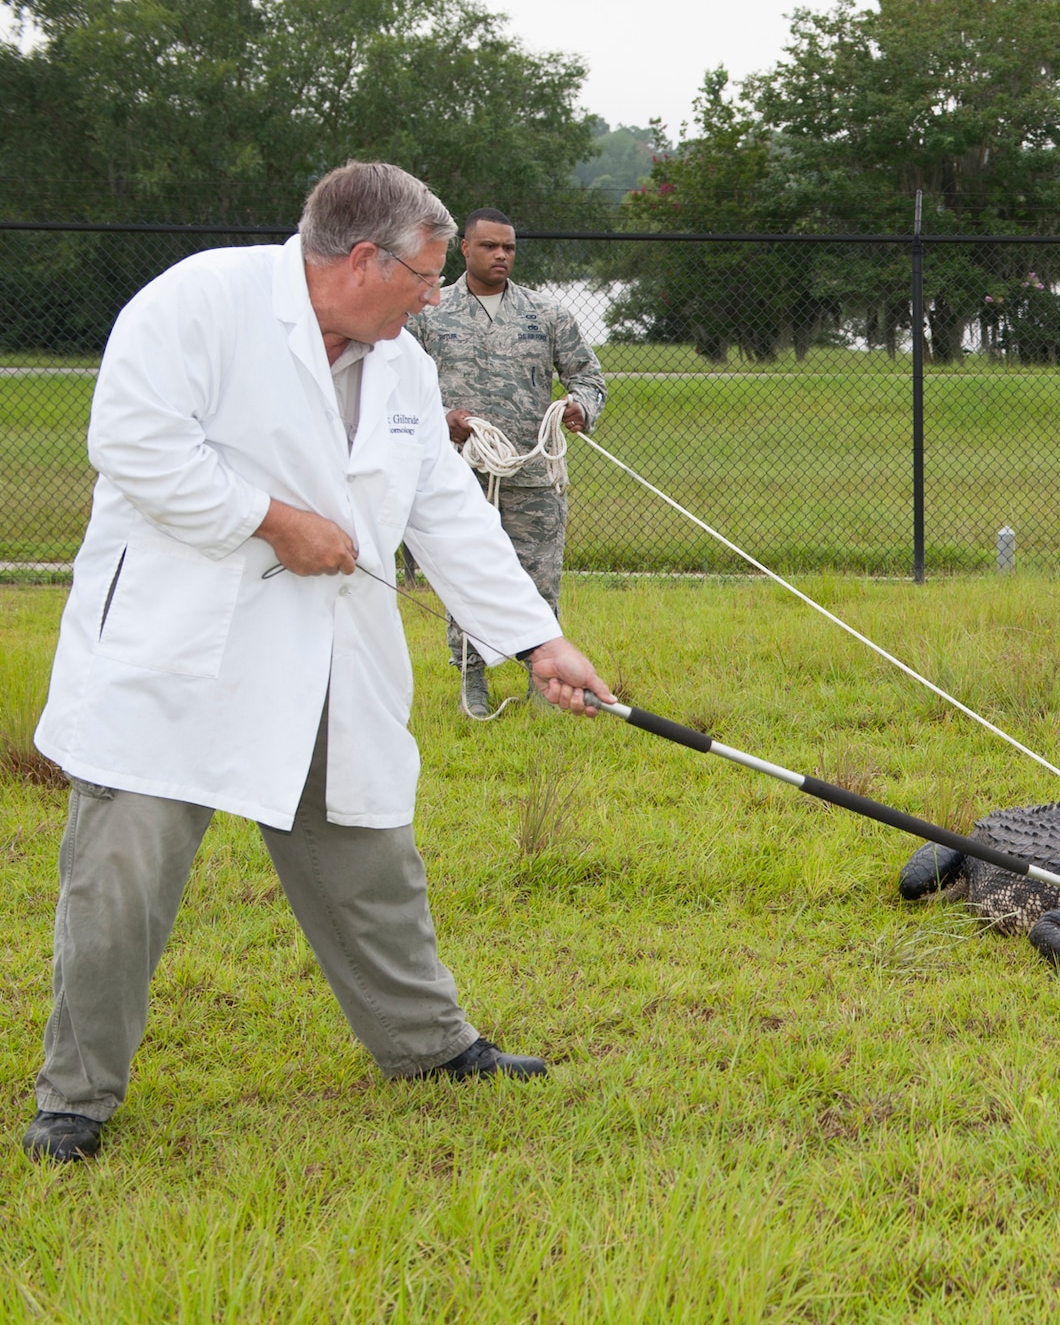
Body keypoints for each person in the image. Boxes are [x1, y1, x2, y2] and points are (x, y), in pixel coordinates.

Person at [23, 163, 617, 1163]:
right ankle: (76, 1096)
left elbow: (446, 516)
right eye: (426, 277)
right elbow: (132, 442)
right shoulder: (198, 304)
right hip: (176, 653)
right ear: (360, 260)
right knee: (119, 879)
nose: (436, 295)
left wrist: (536, 638)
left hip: (325, 659)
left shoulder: (403, 367)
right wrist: (269, 521)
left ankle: (428, 1045)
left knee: (369, 855)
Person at [407, 209, 606, 719]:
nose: (501, 256)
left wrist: (580, 406)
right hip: (460, 473)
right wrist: (439, 418)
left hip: (533, 474)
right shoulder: (430, 313)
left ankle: (544, 677)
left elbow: (588, 376)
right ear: (465, 249)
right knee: (465, 575)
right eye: (490, 246)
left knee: (538, 578)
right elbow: (400, 386)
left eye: (509, 248)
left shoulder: (546, 314)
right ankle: (471, 674)